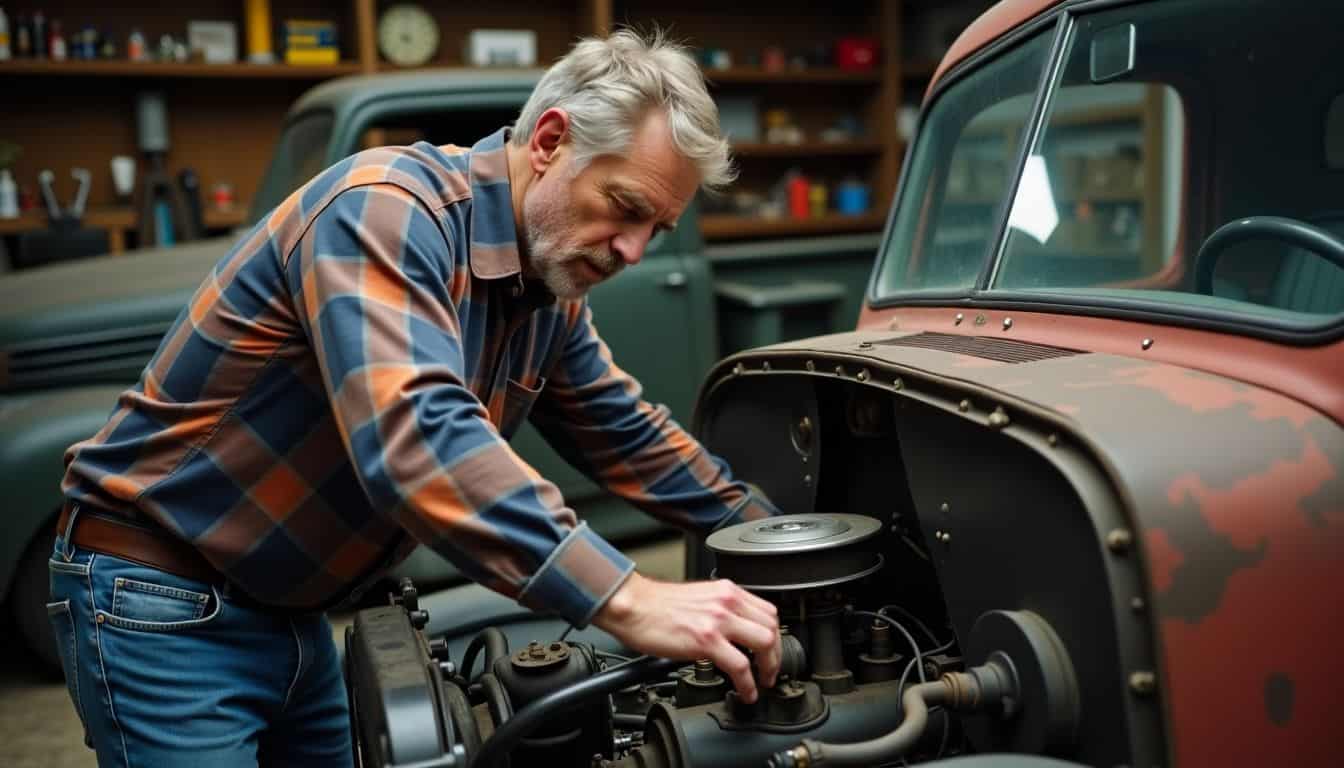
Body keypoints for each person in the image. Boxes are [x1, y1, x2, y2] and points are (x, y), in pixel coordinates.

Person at [48, 28, 782, 767]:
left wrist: (778, 533)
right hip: (160, 598)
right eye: (624, 206)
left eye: (656, 229)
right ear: (550, 141)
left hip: (291, 610)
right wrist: (630, 598)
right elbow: (419, 437)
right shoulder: (386, 209)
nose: (633, 250)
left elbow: (628, 437)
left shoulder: (545, 293)